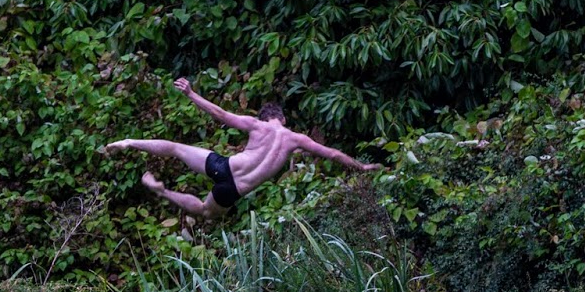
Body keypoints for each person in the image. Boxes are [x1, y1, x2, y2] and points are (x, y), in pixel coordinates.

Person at [104, 78, 381, 218]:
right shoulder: (296, 139)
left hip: (225, 165)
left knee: (176, 148)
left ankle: (130, 142)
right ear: (283, 119)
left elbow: (220, 114)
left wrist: (191, 93)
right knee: (203, 210)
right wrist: (362, 166)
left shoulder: (257, 126)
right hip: (233, 191)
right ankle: (162, 191)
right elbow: (332, 154)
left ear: (264, 118)